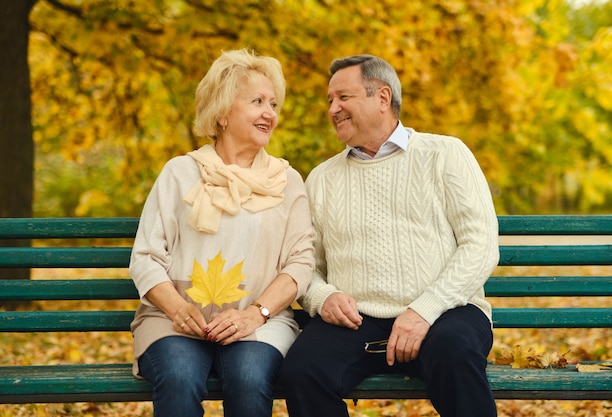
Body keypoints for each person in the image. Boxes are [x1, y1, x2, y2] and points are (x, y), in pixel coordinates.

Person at [279, 54, 500, 417]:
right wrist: (323, 295)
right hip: (355, 320)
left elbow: (480, 247)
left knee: (454, 354)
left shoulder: (445, 154)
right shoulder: (322, 178)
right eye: (329, 100)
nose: (332, 108)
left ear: (383, 98)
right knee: (303, 371)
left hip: (446, 311)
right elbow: (306, 264)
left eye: (343, 98)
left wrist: (423, 311)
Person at [129, 48, 314, 417]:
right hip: (175, 320)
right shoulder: (180, 173)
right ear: (223, 113)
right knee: (180, 376)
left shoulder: (286, 180)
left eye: (274, 104)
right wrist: (179, 309)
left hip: (259, 322)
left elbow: (301, 262)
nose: (270, 113)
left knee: (249, 377)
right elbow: (146, 256)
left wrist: (256, 314)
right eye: (257, 101)